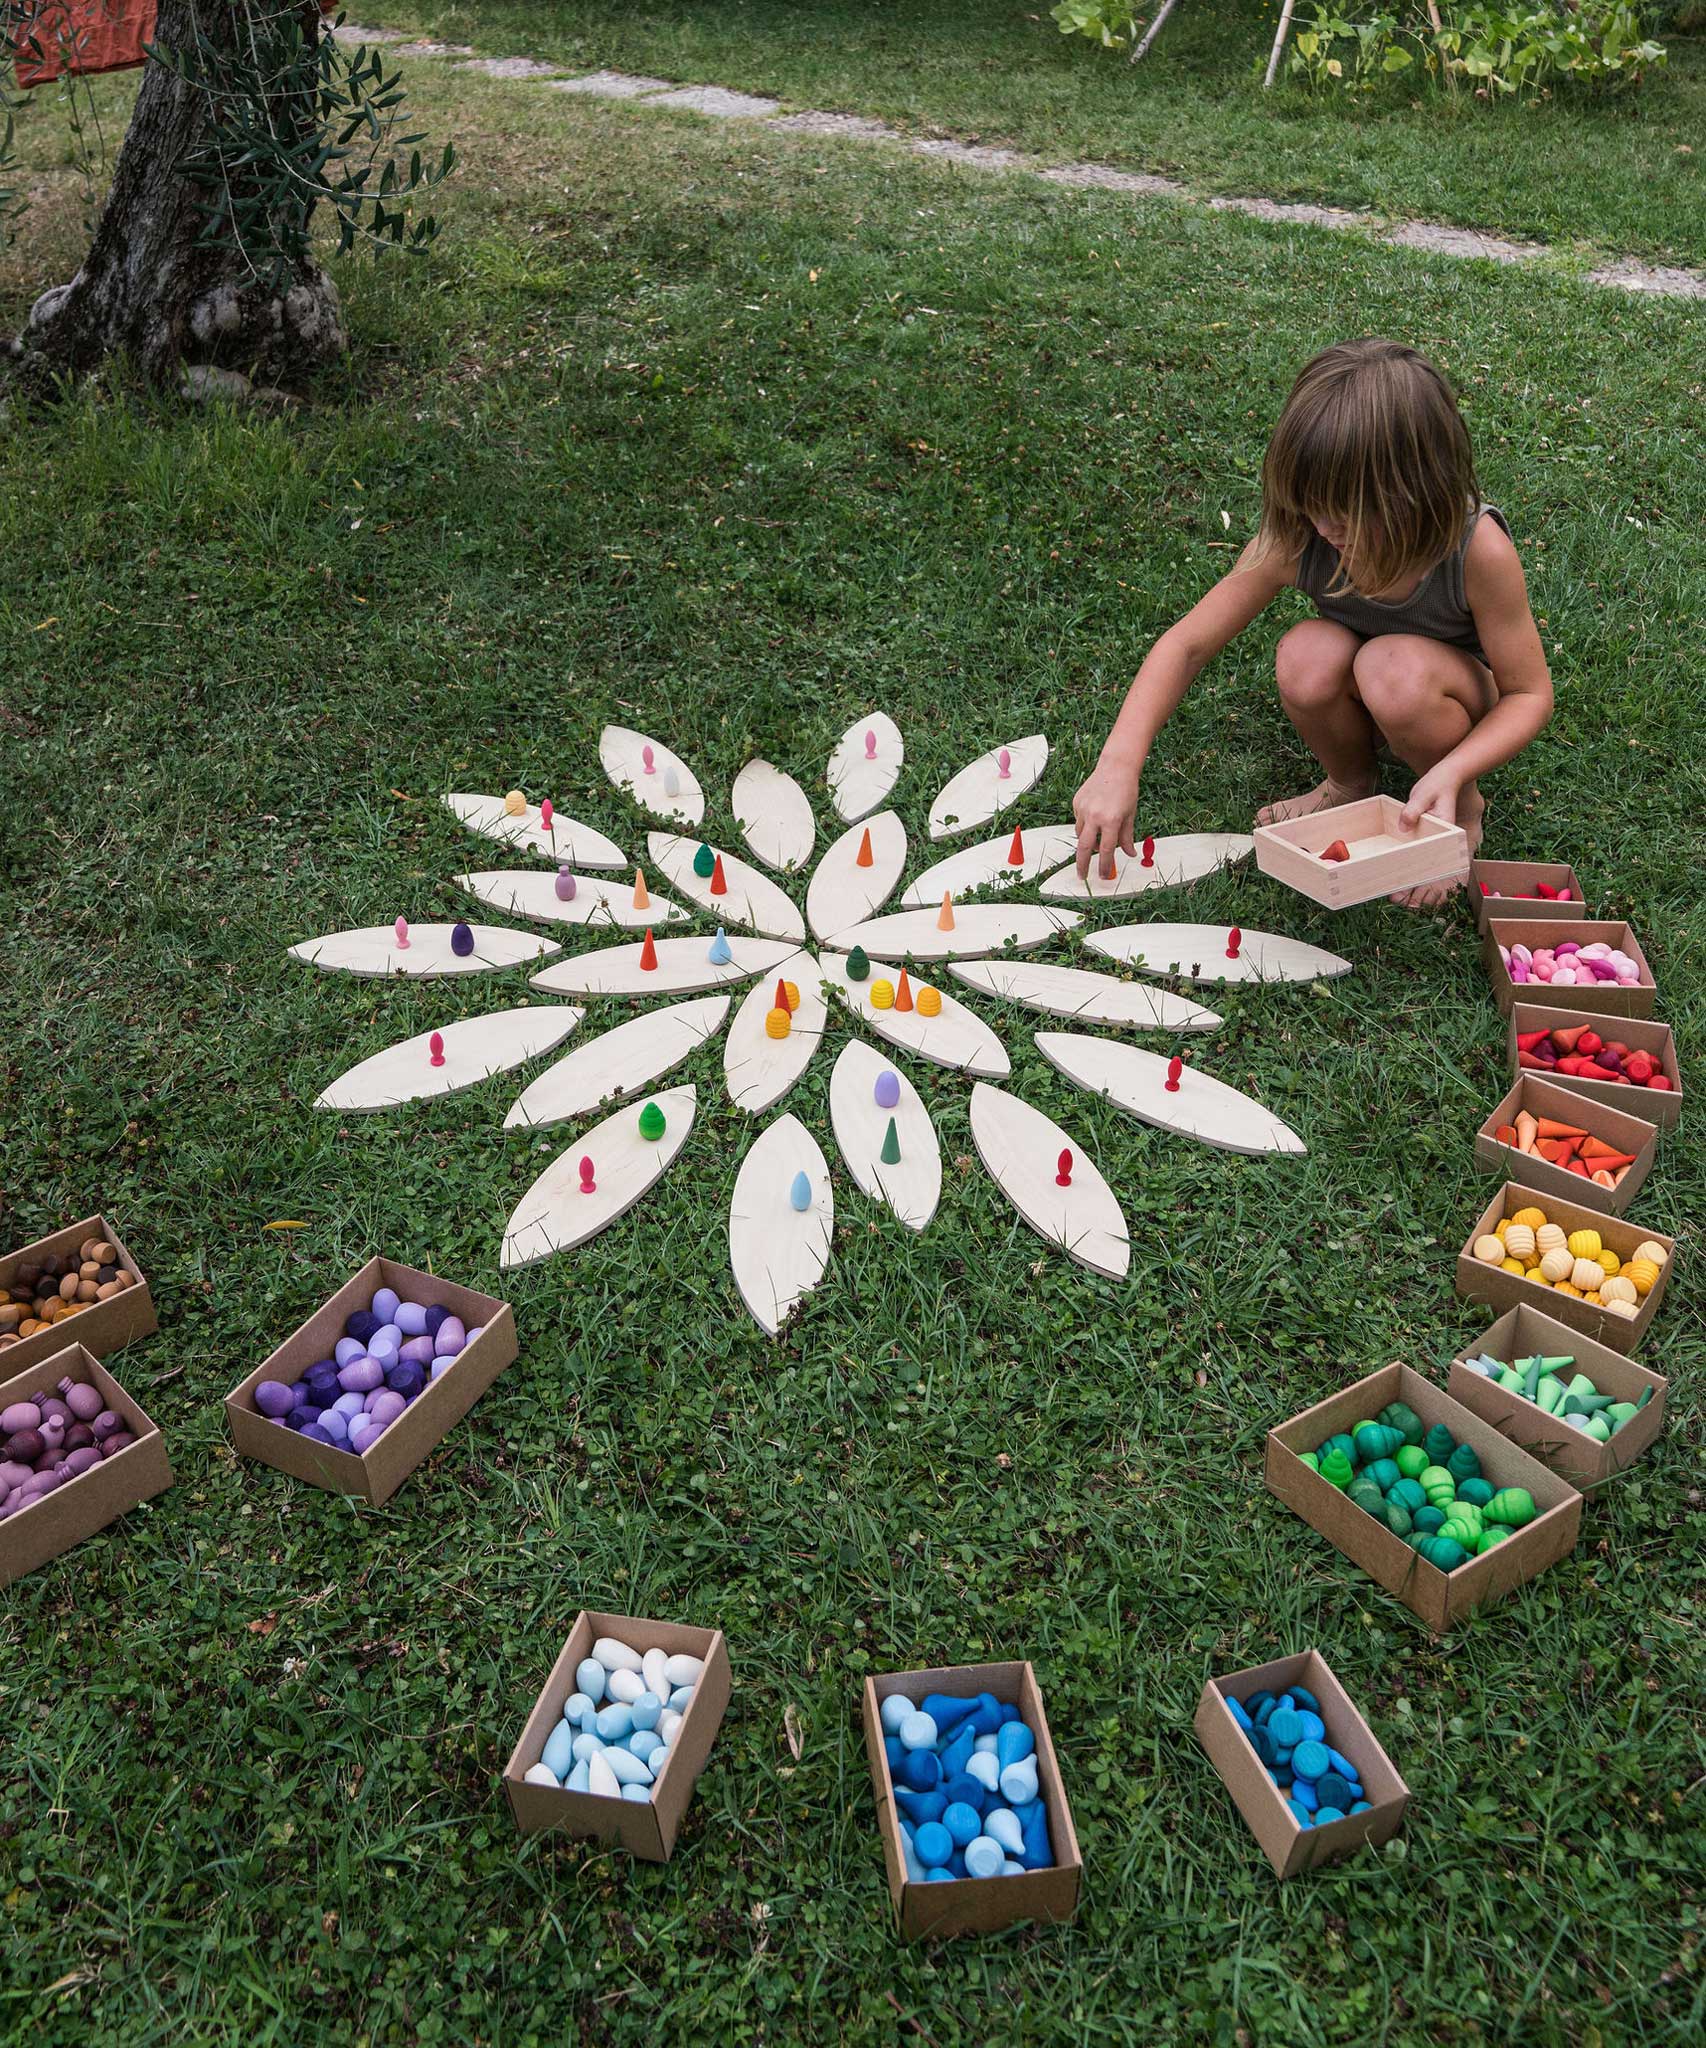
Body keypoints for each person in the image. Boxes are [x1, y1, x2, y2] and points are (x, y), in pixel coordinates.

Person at [1071, 338, 1553, 908]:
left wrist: (1457, 773)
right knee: (1305, 652)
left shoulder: (1475, 550)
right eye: (1310, 503)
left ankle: (1461, 810)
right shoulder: (1299, 536)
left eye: (1346, 509)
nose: (1323, 525)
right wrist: (1117, 764)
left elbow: (1528, 694)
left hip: (1443, 695)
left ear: (1417, 490)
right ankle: (1350, 782)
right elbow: (1186, 645)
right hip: (1369, 683)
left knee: (1392, 667)